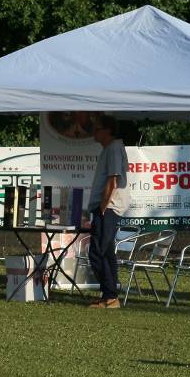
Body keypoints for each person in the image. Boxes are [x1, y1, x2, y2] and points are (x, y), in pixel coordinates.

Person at [87, 114, 131, 309]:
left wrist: (104, 206)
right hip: (105, 207)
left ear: (107, 130)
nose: (93, 132)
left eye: (97, 128)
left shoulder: (113, 148)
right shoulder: (109, 149)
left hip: (109, 207)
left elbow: (113, 179)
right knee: (102, 251)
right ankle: (108, 295)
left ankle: (110, 296)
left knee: (100, 251)